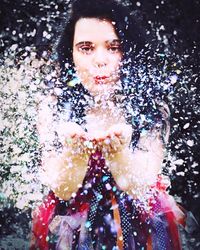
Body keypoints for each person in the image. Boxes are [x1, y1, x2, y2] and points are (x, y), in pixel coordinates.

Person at [31, 0, 186, 249]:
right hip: (71, 223)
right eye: (86, 48)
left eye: (114, 47)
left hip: (139, 223)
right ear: (71, 54)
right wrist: (76, 154)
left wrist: (119, 157)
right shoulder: (53, 104)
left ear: (129, 52)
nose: (100, 60)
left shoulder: (150, 107)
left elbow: (141, 188)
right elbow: (62, 189)